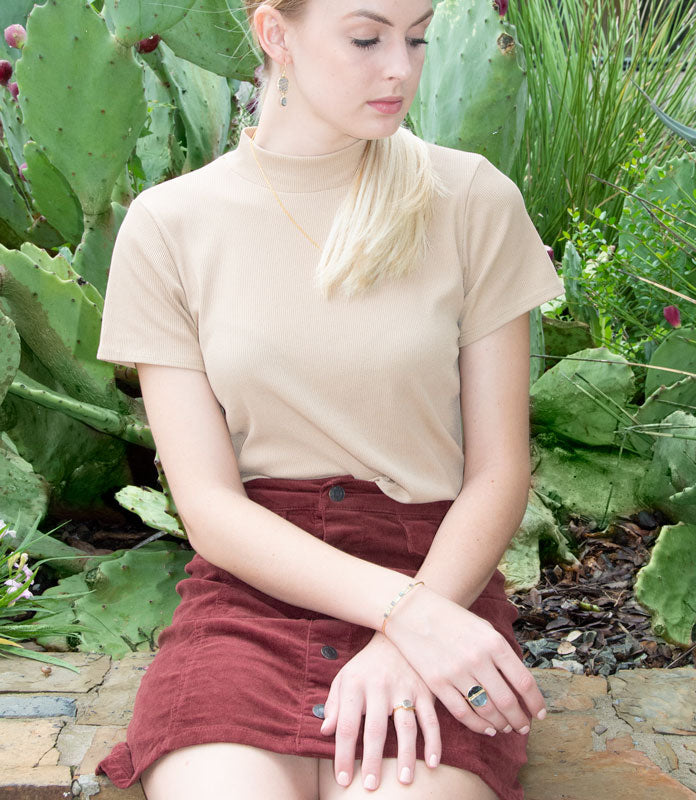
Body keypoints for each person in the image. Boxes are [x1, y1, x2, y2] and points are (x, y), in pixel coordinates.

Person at [93, 1, 564, 798]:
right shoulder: (169, 226)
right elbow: (208, 507)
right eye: (366, 38)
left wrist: (416, 627)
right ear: (275, 33)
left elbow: (498, 474)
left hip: (436, 570)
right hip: (253, 592)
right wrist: (406, 615)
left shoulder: (471, 200)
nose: (401, 68)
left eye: (418, 37)